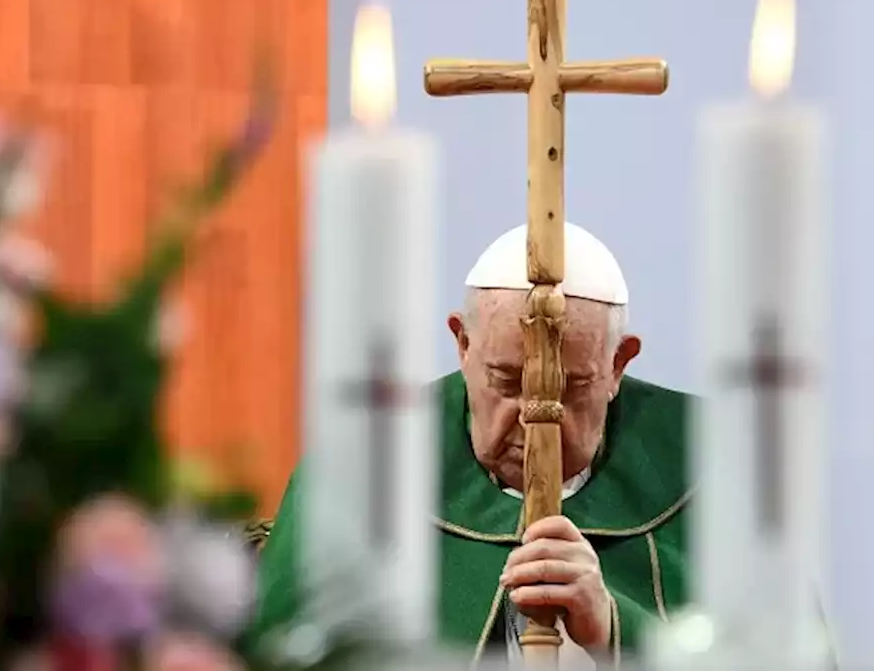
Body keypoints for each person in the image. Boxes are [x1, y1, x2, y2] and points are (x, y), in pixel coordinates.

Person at [250, 222, 692, 668]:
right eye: (506, 381)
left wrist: (617, 630)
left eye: (570, 388)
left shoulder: (709, 460)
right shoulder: (362, 465)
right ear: (463, 343)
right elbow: (283, 654)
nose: (533, 420)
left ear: (618, 364)